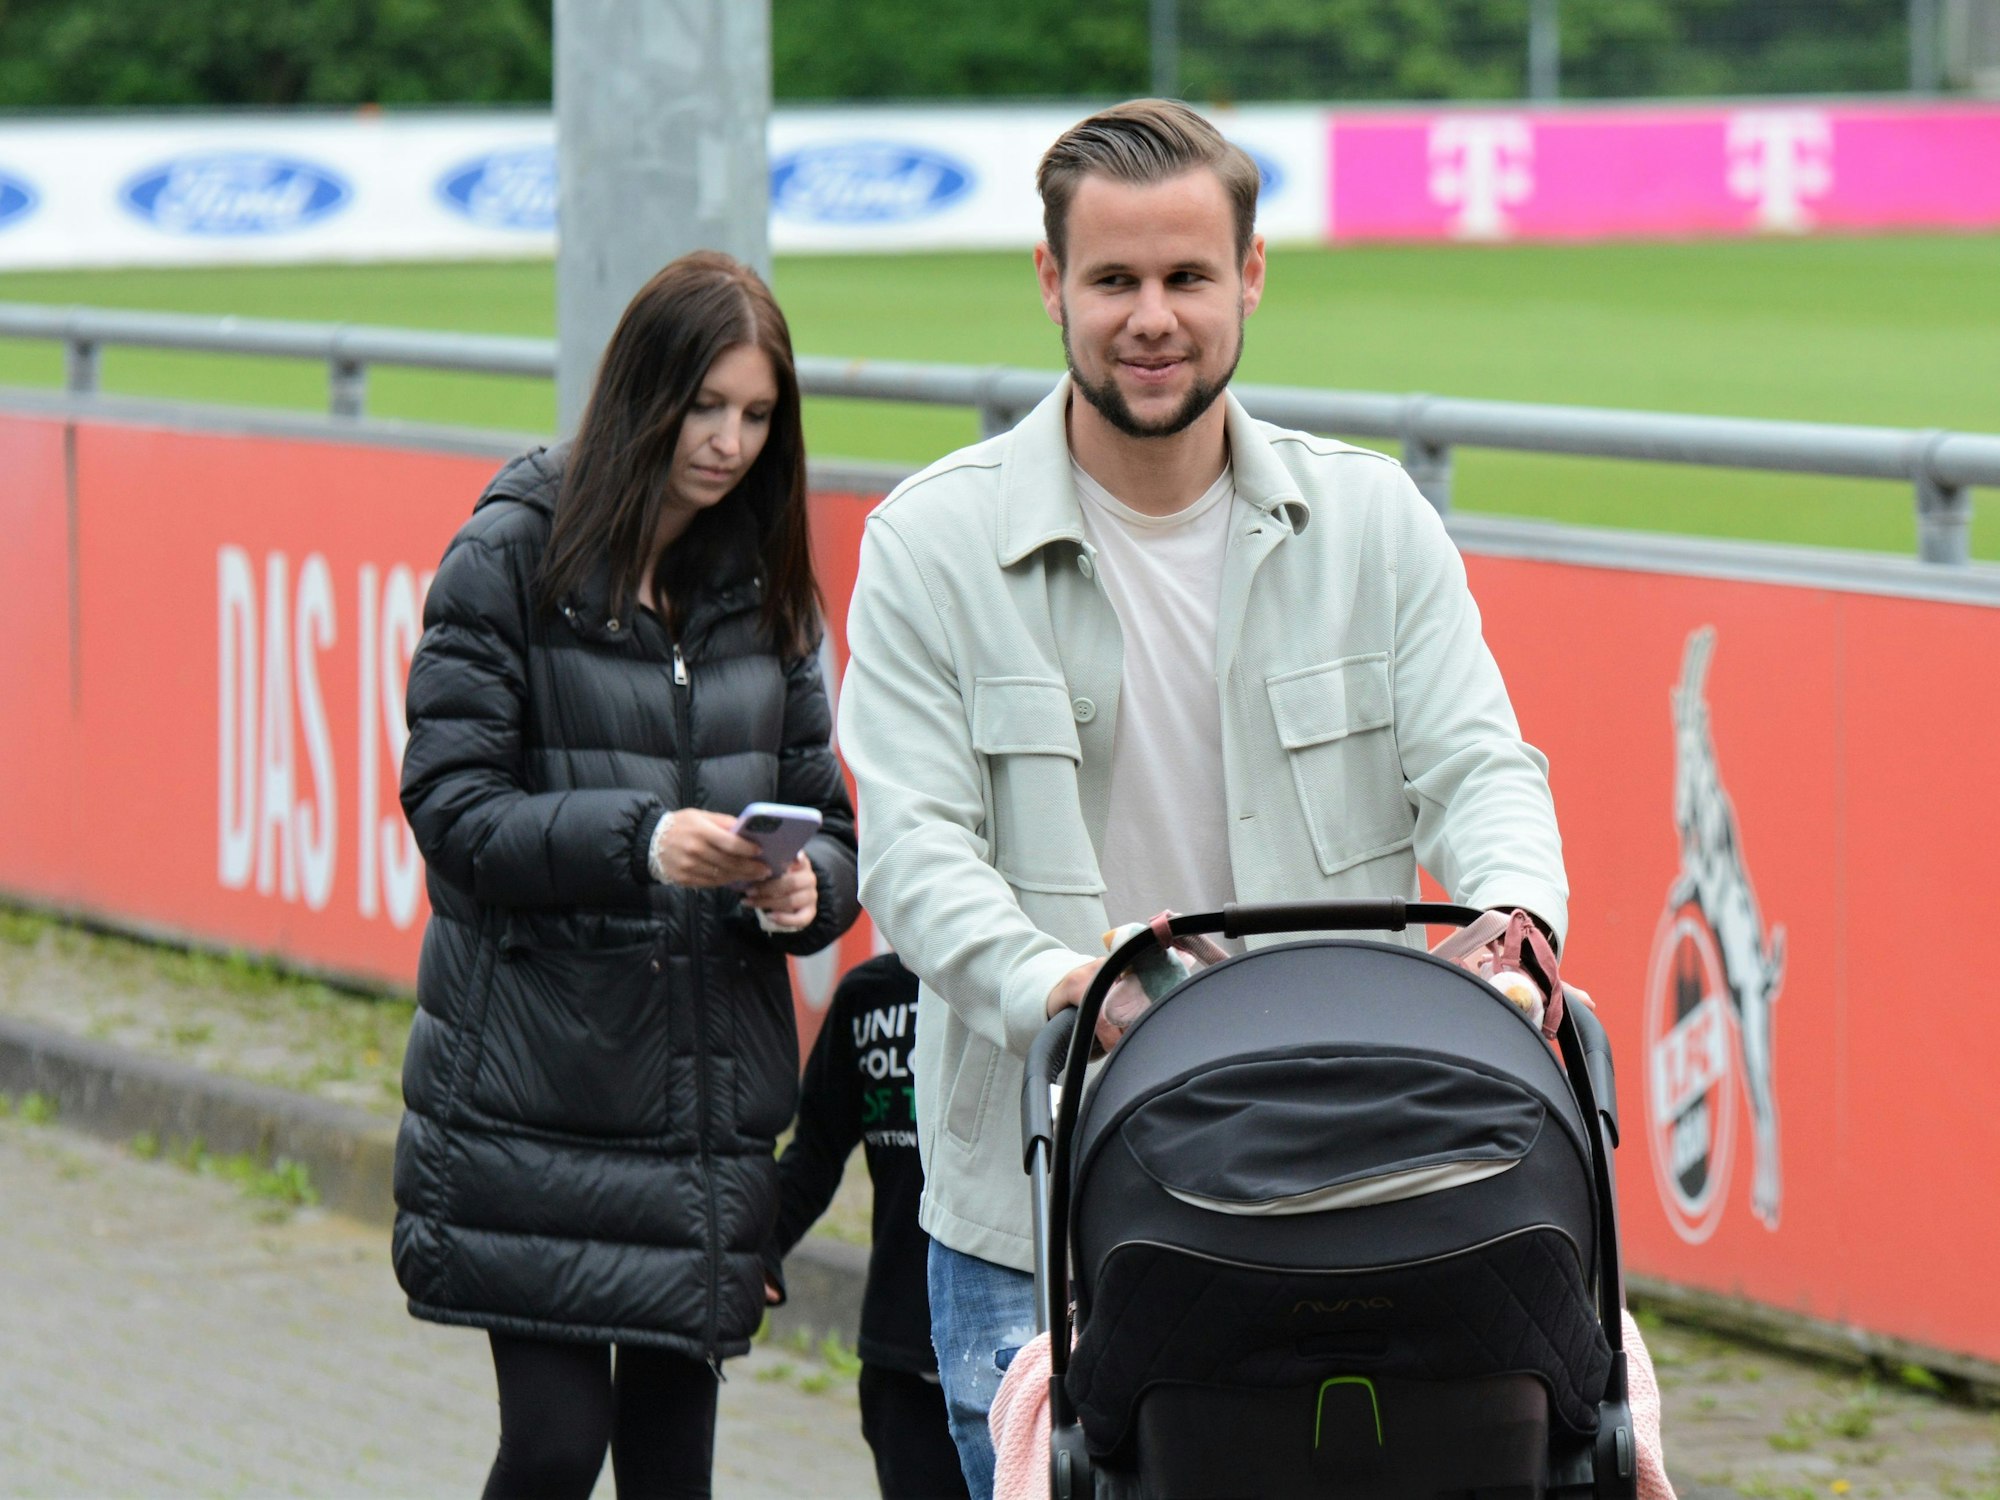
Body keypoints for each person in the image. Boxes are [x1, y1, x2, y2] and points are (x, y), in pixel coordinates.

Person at [835, 100, 1567, 1499]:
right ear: (1052, 284)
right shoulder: (931, 545)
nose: (1151, 317)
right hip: (1035, 1222)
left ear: (1252, 277)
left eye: (1186, 277)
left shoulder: (1372, 525)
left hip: (1353, 1191)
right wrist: (1070, 985)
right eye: (1113, 281)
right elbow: (917, 857)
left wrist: (1517, 921)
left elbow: (1483, 768)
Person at [392, 250, 861, 1500]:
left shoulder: (763, 587)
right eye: (704, 407)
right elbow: (451, 812)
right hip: (531, 1095)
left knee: (672, 1472)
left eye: (757, 417)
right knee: (554, 1447)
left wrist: (803, 890)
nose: (727, 444)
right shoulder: (508, 555)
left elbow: (828, 823)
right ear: (638, 394)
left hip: (698, 1108)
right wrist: (642, 841)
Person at [763, 953, 971, 1500]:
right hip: (902, 1352)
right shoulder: (870, 995)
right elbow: (815, 1151)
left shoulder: (1038, 980)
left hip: (1029, 1353)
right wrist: (755, 1252)